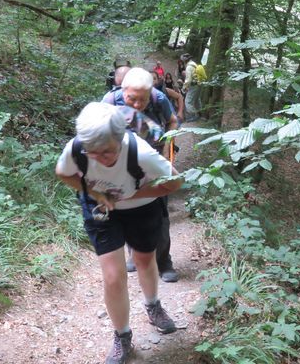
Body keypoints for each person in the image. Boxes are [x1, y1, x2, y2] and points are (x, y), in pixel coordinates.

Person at [56, 103, 183, 364]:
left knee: (144, 260)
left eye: (107, 153)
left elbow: (176, 181)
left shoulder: (141, 153)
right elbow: (63, 173)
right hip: (101, 209)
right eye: (93, 153)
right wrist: (94, 193)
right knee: (113, 277)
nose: (99, 159)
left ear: (120, 138)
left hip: (142, 209)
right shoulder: (78, 148)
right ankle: (122, 337)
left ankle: (153, 305)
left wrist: (134, 194)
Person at [102, 68, 180, 282]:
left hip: (154, 158)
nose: (137, 105)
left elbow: (173, 120)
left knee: (161, 211)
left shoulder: (159, 98)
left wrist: (166, 149)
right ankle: (135, 254)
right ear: (122, 90)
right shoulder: (110, 100)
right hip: (124, 160)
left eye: (142, 100)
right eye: (131, 99)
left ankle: (164, 261)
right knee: (128, 209)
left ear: (151, 93)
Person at [181, 53, 202, 122]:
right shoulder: (194, 64)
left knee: (188, 101)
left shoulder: (189, 67)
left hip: (193, 85)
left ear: (185, 60)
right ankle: (200, 113)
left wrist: (184, 88)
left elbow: (188, 79)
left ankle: (195, 115)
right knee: (196, 100)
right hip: (199, 84)